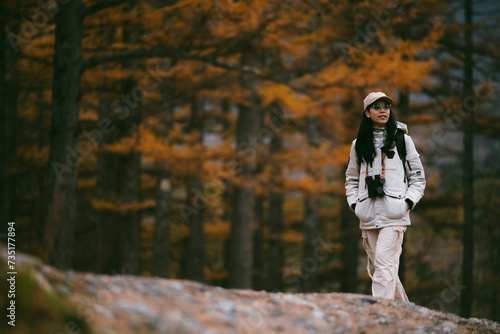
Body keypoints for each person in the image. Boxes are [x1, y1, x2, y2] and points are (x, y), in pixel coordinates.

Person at [345, 92, 425, 301]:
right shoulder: (358, 144)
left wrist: (407, 203)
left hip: (395, 214)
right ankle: (404, 314)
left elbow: (418, 179)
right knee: (385, 267)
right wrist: (355, 205)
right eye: (377, 106)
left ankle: (380, 313)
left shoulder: (402, 140)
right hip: (368, 216)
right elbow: (351, 179)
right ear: (367, 112)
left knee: (383, 262)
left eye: (386, 106)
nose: (383, 110)